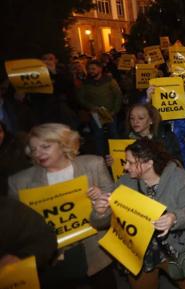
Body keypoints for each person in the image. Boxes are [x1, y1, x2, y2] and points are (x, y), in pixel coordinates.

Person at [8, 123, 116, 289]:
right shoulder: (19, 182)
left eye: (45, 146)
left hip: (95, 254)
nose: (39, 153)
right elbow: (18, 231)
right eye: (34, 149)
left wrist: (99, 206)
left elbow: (108, 220)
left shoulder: (93, 165)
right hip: (52, 261)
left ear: (64, 144)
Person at [92, 138, 185, 289]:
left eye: (131, 162)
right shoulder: (125, 182)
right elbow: (103, 221)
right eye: (126, 161)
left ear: (149, 163)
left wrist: (174, 218)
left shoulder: (178, 177)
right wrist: (100, 212)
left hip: (172, 249)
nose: (125, 167)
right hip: (139, 253)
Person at [76, 59, 123, 155]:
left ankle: (118, 156)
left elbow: (118, 95)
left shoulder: (110, 81)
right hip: (96, 114)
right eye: (89, 69)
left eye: (93, 69)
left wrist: (115, 111)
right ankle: (100, 158)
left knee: (113, 133)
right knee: (98, 135)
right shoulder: (86, 83)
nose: (91, 71)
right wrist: (91, 107)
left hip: (111, 112)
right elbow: (81, 98)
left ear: (100, 69)